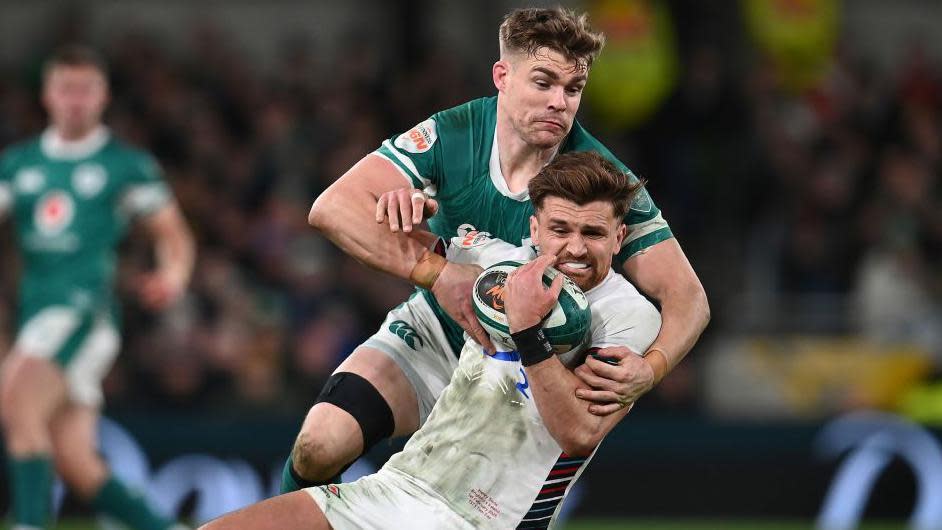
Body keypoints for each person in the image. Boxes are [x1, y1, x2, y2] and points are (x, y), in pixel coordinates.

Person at [283, 6, 709, 492]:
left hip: (523, 370)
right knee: (319, 445)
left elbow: (688, 296)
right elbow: (332, 207)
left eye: (573, 90)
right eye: (544, 83)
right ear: (502, 76)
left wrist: (651, 369)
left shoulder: (599, 180)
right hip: (436, 334)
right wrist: (436, 272)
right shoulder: (454, 134)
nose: (559, 103)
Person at [202, 150, 666, 529]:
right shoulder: (495, 268)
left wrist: (527, 333)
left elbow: (579, 433)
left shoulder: (628, 317)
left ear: (619, 235)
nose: (575, 249)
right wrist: (406, 203)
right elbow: (334, 213)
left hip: (482, 521)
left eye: (594, 233)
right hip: (397, 488)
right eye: (560, 230)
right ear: (534, 230)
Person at [0, 45, 194, 530]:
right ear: (47, 94)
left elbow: (174, 236)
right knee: (78, 467)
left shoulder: (124, 165)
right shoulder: (17, 165)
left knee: (16, 402)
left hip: (84, 312)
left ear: (103, 95)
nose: (75, 100)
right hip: (36, 312)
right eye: (66, 88)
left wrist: (172, 275)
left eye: (85, 89)